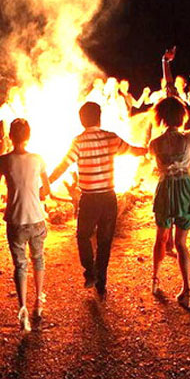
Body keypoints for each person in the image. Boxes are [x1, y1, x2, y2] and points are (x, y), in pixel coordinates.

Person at [49, 102, 147, 299]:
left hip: (89, 200)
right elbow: (132, 150)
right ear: (99, 117)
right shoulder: (110, 137)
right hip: (108, 198)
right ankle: (101, 280)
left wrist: (47, 182)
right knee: (104, 241)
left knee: (83, 236)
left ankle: (90, 272)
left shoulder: (78, 142)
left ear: (81, 120)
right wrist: (148, 149)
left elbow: (63, 165)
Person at [149, 81, 190, 307]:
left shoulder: (155, 143)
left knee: (161, 238)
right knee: (181, 243)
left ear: (160, 117)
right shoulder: (187, 139)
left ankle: (154, 279)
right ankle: (187, 290)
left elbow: (155, 164)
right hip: (185, 190)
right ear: (182, 116)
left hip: (166, 189)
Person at [0, 118, 51, 331]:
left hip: (15, 220)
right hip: (36, 218)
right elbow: (47, 189)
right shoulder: (38, 159)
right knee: (38, 259)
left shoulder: (3, 160)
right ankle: (39, 303)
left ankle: (23, 308)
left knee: (20, 265)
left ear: (10, 136)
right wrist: (36, 193)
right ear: (29, 136)